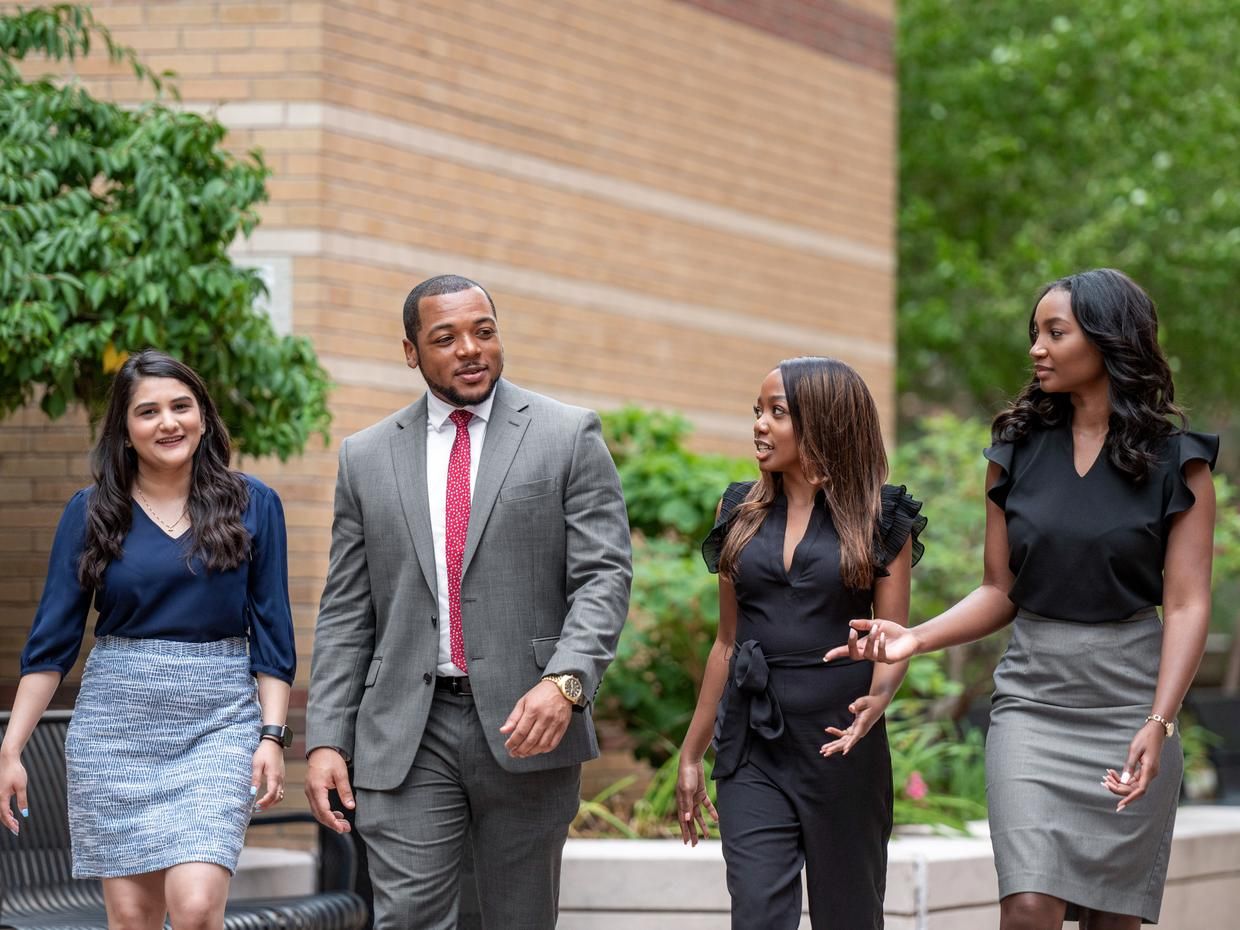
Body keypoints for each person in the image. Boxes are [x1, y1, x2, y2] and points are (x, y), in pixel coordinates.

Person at [829, 268, 1217, 929]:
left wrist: (1159, 722)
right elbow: (999, 589)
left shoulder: (1177, 463)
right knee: (1029, 907)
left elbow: (1185, 605)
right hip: (1034, 703)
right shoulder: (1015, 450)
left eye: (1055, 332)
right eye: (1034, 333)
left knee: (1109, 920)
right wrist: (916, 638)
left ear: (1107, 340)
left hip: (1130, 704)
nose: (1037, 347)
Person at [303, 274, 632, 929]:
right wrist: (325, 740)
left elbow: (604, 575)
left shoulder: (566, 435)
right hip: (404, 729)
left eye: (483, 331)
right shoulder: (365, 457)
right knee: (410, 917)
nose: (470, 349)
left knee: (517, 917)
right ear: (410, 351)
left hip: (527, 722)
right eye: (445, 338)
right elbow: (346, 609)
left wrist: (565, 682)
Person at [0, 350, 296, 930]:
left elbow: (272, 629)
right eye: (148, 411)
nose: (168, 422)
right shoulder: (90, 513)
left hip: (219, 723)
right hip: (115, 730)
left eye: (181, 406)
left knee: (195, 908)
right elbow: (52, 643)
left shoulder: (252, 503)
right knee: (133, 920)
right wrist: (11, 747)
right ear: (126, 431)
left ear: (204, 417)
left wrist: (272, 735)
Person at [676, 356, 926, 930]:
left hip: (840, 739)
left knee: (849, 916)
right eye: (758, 412)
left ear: (825, 422)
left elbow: (893, 640)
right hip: (752, 743)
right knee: (758, 914)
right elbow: (726, 643)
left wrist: (879, 699)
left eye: (778, 413)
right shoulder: (738, 507)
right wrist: (693, 753)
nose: (760, 425)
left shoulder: (880, 514)